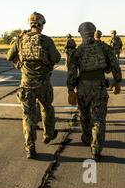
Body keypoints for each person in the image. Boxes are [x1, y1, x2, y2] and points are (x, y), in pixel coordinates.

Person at [7, 12, 61, 159]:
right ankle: (48, 134)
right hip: (43, 84)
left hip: (26, 85)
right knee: (47, 108)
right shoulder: (46, 40)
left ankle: (30, 147)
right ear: (42, 24)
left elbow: (9, 56)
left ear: (30, 24)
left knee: (28, 117)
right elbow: (56, 58)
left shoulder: (20, 40)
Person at [67, 22, 122, 160]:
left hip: (83, 87)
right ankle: (96, 148)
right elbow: (115, 64)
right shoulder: (104, 47)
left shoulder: (78, 51)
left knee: (85, 116)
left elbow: (72, 72)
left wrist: (70, 89)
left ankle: (87, 138)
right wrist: (117, 81)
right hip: (99, 85)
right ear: (94, 32)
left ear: (81, 34)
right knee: (98, 119)